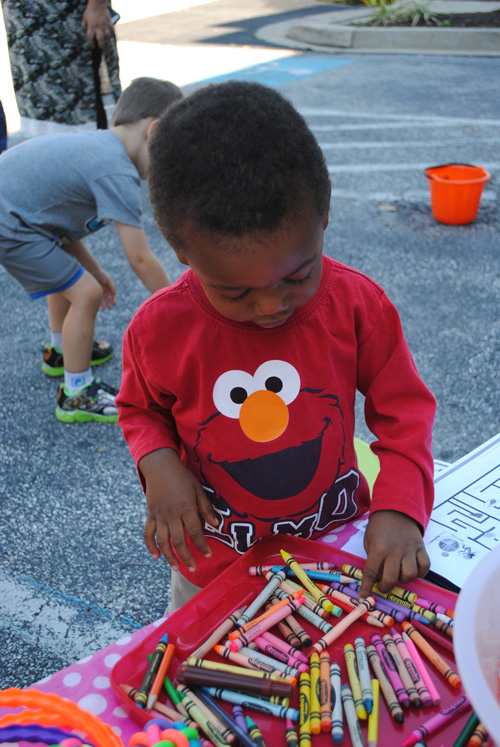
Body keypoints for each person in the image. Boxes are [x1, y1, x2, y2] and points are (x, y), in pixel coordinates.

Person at [116, 81, 436, 609]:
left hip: (334, 549)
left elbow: (404, 409)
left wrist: (398, 508)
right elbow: (138, 408)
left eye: (298, 275)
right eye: (234, 291)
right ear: (180, 251)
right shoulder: (158, 329)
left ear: (324, 218)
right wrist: (159, 467)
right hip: (214, 568)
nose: (269, 306)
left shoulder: (357, 304)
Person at [0, 76, 183, 423]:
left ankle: (59, 352)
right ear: (154, 131)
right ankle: (77, 393)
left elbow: (61, 230)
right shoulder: (116, 171)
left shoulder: (99, 147)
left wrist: (95, 269)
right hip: (9, 223)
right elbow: (141, 258)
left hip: (18, 217)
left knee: (74, 282)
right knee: (86, 293)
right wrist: (179, 306)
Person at [2, 0, 121, 135]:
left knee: (85, 114)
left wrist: (98, 5)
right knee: (40, 118)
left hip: (66, 21)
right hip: (24, 22)